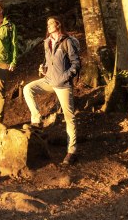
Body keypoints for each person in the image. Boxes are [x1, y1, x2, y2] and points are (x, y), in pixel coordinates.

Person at [23, 16, 80, 165]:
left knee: (69, 117)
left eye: (51, 23)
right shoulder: (47, 43)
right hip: (48, 80)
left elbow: (76, 63)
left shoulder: (67, 41)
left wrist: (65, 77)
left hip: (62, 84)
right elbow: (49, 62)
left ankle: (71, 151)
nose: (48, 26)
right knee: (28, 89)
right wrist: (44, 69)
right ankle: (37, 120)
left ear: (58, 24)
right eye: (47, 23)